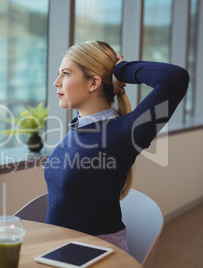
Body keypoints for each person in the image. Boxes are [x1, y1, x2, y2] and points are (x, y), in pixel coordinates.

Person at [44, 40, 189, 252]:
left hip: (97, 252)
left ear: (93, 83)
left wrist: (122, 70)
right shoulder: (79, 127)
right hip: (61, 248)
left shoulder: (125, 132)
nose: (57, 82)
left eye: (65, 73)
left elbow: (174, 78)